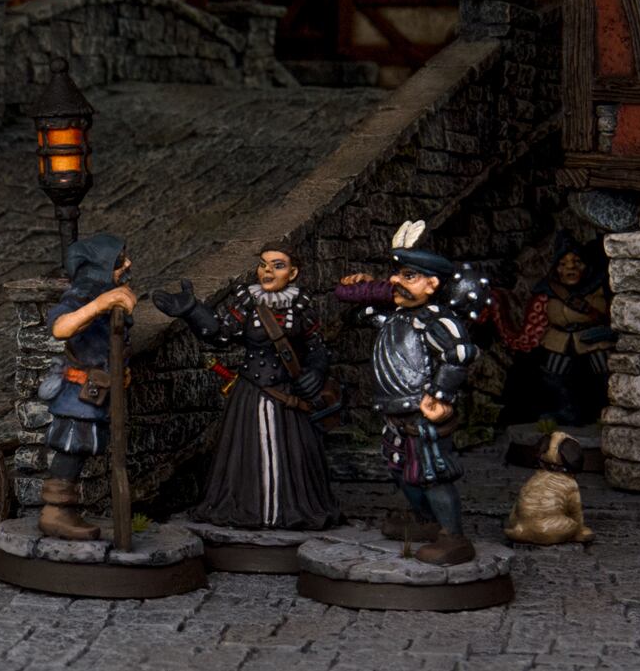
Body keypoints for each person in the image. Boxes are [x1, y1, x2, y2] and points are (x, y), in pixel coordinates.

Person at [152, 243, 340, 530]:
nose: (268, 271)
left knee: (294, 454)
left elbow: (317, 347)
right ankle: (249, 508)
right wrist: (193, 311)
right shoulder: (248, 303)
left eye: (277, 265)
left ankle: (290, 509)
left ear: (293, 273)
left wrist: (315, 370)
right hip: (251, 392)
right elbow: (220, 334)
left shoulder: (301, 307)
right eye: (263, 264)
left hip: (288, 396)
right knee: (245, 452)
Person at [336, 220, 479, 566]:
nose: (396, 281)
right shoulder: (398, 316)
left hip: (421, 412)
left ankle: (453, 536)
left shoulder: (436, 320)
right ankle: (426, 521)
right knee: (401, 470)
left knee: (432, 473)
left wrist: (440, 396)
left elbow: (459, 354)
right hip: (394, 413)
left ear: (432, 284)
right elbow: (362, 315)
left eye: (409, 276)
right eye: (397, 274)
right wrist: (362, 288)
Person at [37, 233, 135, 540]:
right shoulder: (85, 292)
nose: (128, 264)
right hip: (78, 396)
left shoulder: (108, 290)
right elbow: (61, 328)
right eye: (119, 261)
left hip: (100, 391)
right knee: (71, 447)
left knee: (81, 449)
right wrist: (101, 304)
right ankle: (55, 513)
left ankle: (64, 511)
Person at [489, 233, 614, 425]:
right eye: (563, 264)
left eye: (577, 262)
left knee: (603, 371)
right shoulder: (548, 289)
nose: (570, 268)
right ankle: (566, 410)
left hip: (593, 338)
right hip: (559, 338)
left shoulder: (597, 286)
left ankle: (607, 408)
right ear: (556, 268)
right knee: (554, 373)